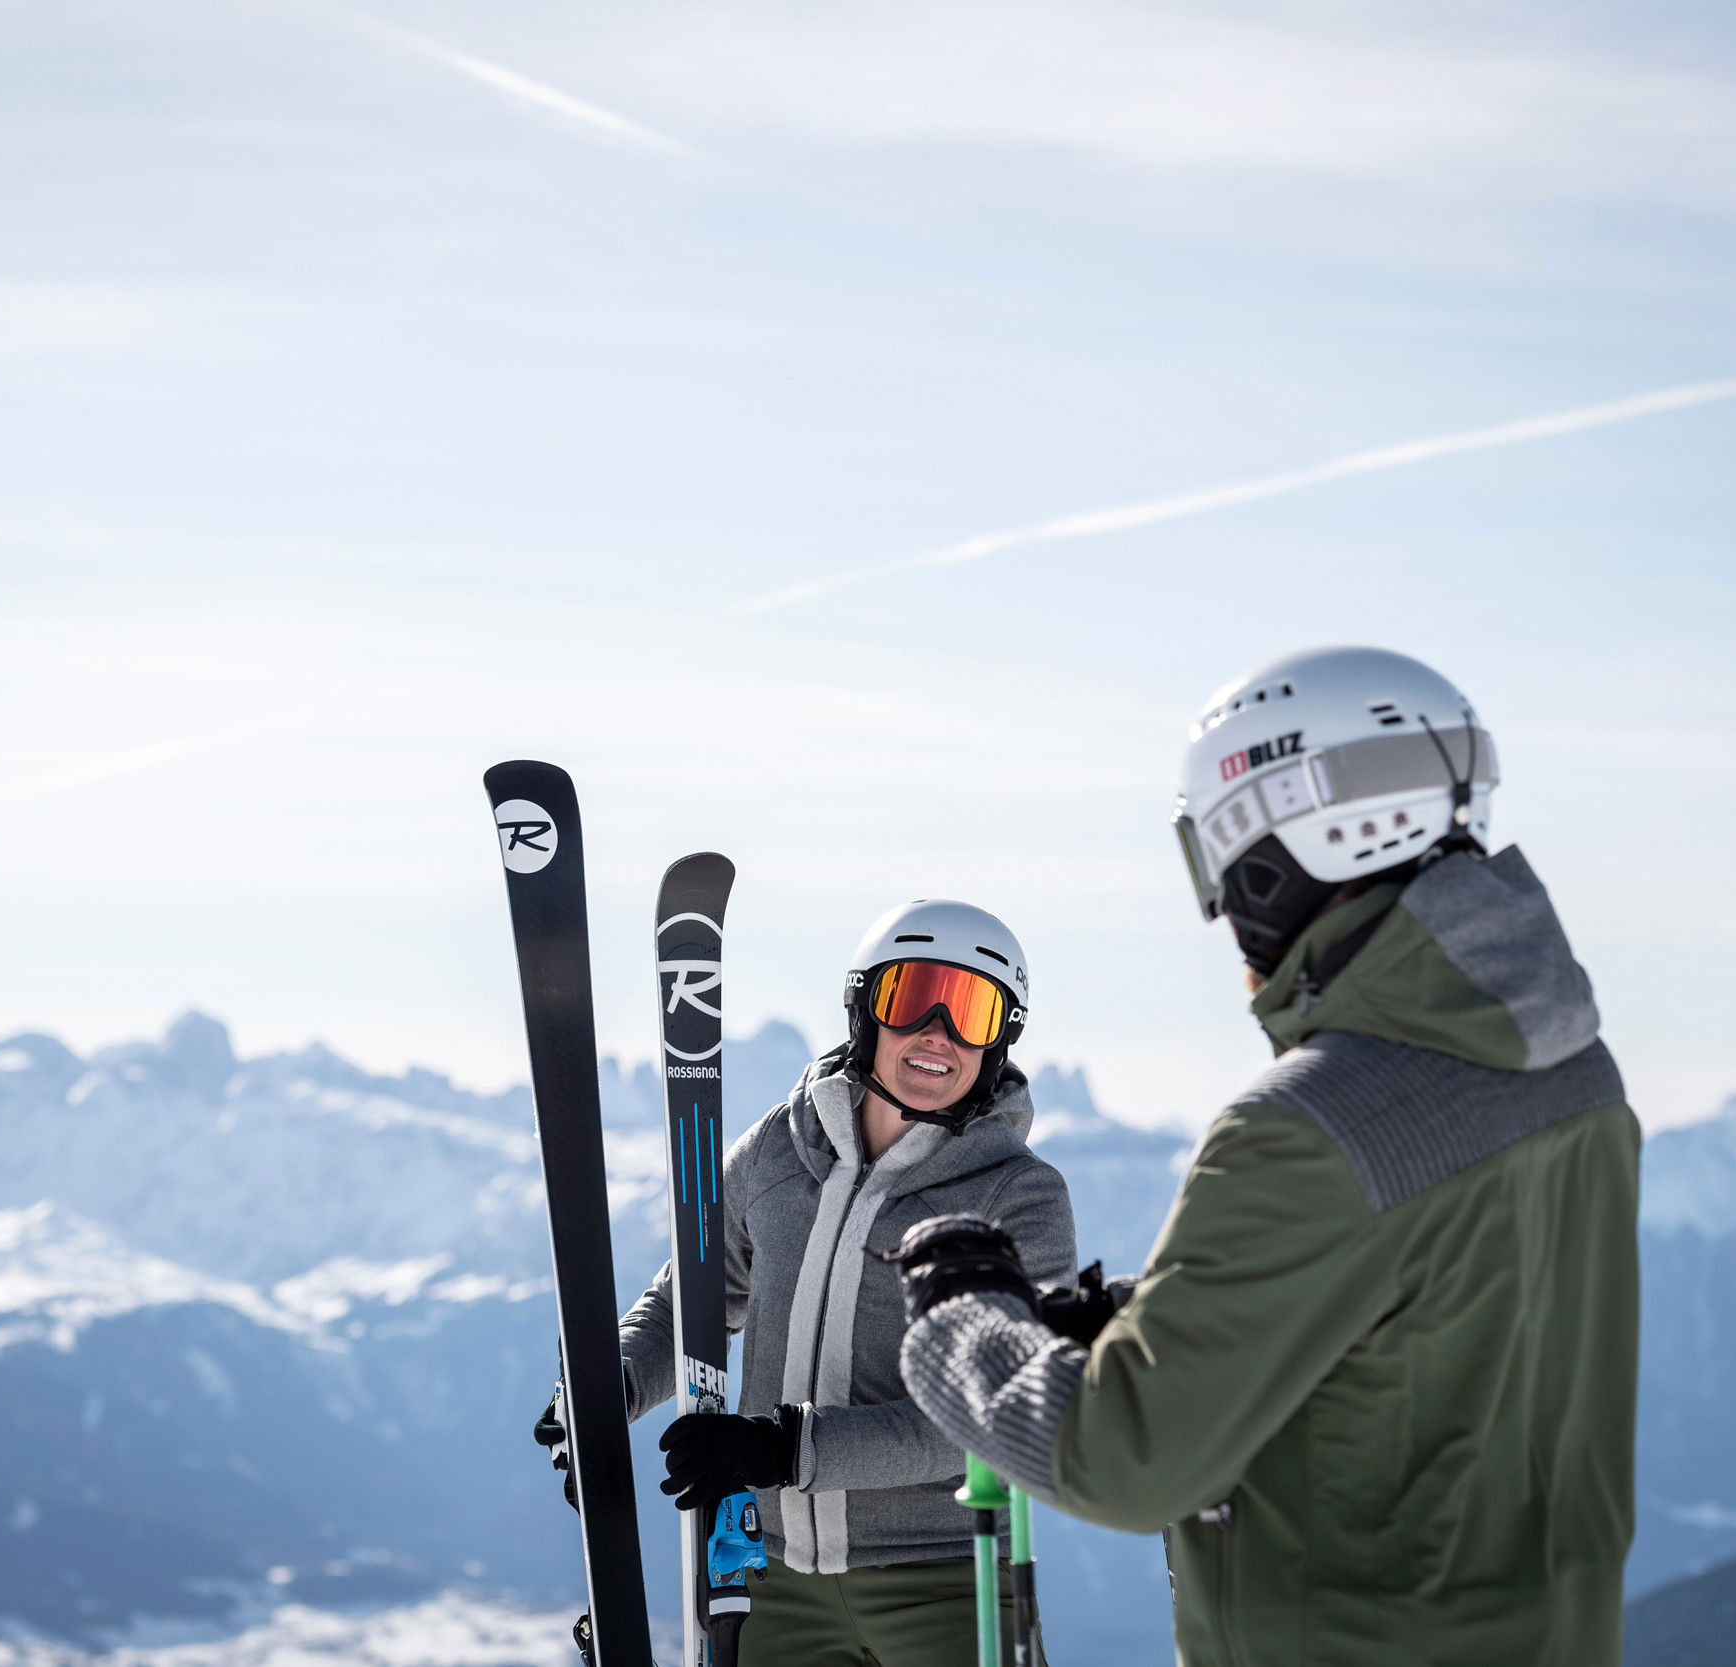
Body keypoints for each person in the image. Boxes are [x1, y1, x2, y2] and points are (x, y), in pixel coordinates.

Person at [892, 646, 1640, 1667]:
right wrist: (1170, 1325)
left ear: (1277, 841)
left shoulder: (1302, 1127)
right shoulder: (1570, 1071)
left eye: (1212, 851)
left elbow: (1126, 1461)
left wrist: (963, 1323)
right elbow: (1438, 1323)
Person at [601, 899, 1076, 1667]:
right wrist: (609, 1385)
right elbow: (693, 1296)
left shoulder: (1018, 1194)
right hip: (777, 1580)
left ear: (1000, 1040)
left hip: (947, 1579)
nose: (938, 1033)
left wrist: (787, 1448)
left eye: (971, 1012)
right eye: (912, 997)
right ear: (864, 1008)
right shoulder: (779, 1149)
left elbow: (999, 1410)